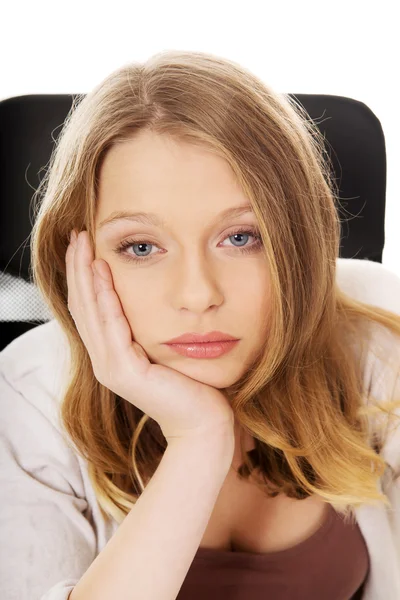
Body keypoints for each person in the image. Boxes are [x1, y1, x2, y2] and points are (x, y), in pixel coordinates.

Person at [1, 50, 400, 600]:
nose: (198, 295)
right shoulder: (23, 395)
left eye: (241, 237)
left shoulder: (383, 342)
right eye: (141, 246)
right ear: (76, 254)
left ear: (298, 241)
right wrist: (198, 439)